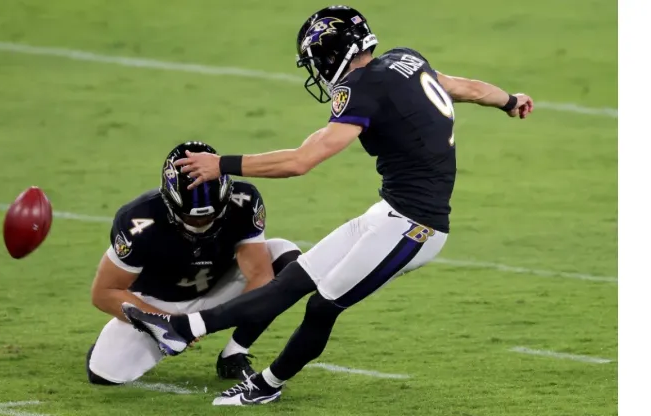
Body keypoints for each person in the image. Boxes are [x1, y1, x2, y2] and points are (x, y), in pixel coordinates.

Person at [121, 5, 534, 405]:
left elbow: (302, 161)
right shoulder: (406, 60)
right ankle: (180, 328)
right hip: (389, 213)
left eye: (316, 59)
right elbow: (471, 88)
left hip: (415, 227)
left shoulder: (361, 88)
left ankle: (266, 385)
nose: (316, 69)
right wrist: (510, 100)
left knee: (323, 305)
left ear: (331, 54)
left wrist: (221, 165)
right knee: (294, 281)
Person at [86, 141, 301, 385]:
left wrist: (209, 322)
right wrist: (167, 324)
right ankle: (121, 343)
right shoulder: (138, 220)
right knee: (104, 374)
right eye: (190, 217)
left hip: (219, 288)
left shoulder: (244, 201)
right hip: (157, 303)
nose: (201, 224)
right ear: (169, 202)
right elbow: (103, 293)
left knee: (287, 258)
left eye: (210, 215)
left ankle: (234, 353)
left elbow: (260, 276)